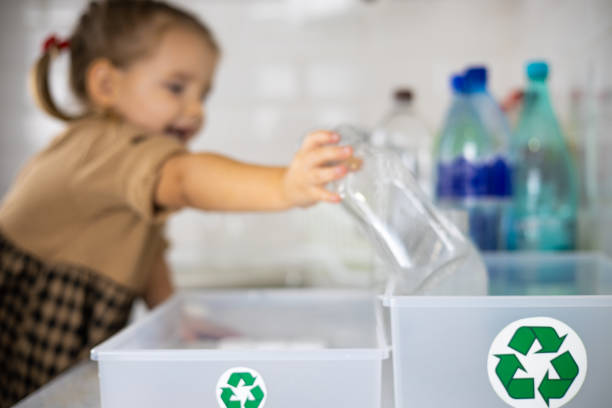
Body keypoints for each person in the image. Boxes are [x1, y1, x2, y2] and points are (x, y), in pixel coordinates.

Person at [0, 1, 355, 405]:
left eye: (203, 94)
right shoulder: (105, 147)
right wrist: (284, 186)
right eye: (176, 88)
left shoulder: (118, 163)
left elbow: (145, 254)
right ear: (106, 85)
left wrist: (176, 320)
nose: (196, 109)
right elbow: (186, 180)